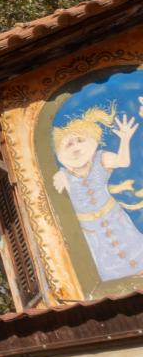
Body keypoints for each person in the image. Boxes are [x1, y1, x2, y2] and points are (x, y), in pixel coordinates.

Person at [51, 97, 143, 281]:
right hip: (90, 230)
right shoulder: (63, 176)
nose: (76, 147)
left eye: (80, 140)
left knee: (135, 252)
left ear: (93, 140)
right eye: (69, 144)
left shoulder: (102, 159)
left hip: (114, 217)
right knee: (107, 265)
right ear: (60, 153)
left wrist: (125, 138)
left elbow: (123, 161)